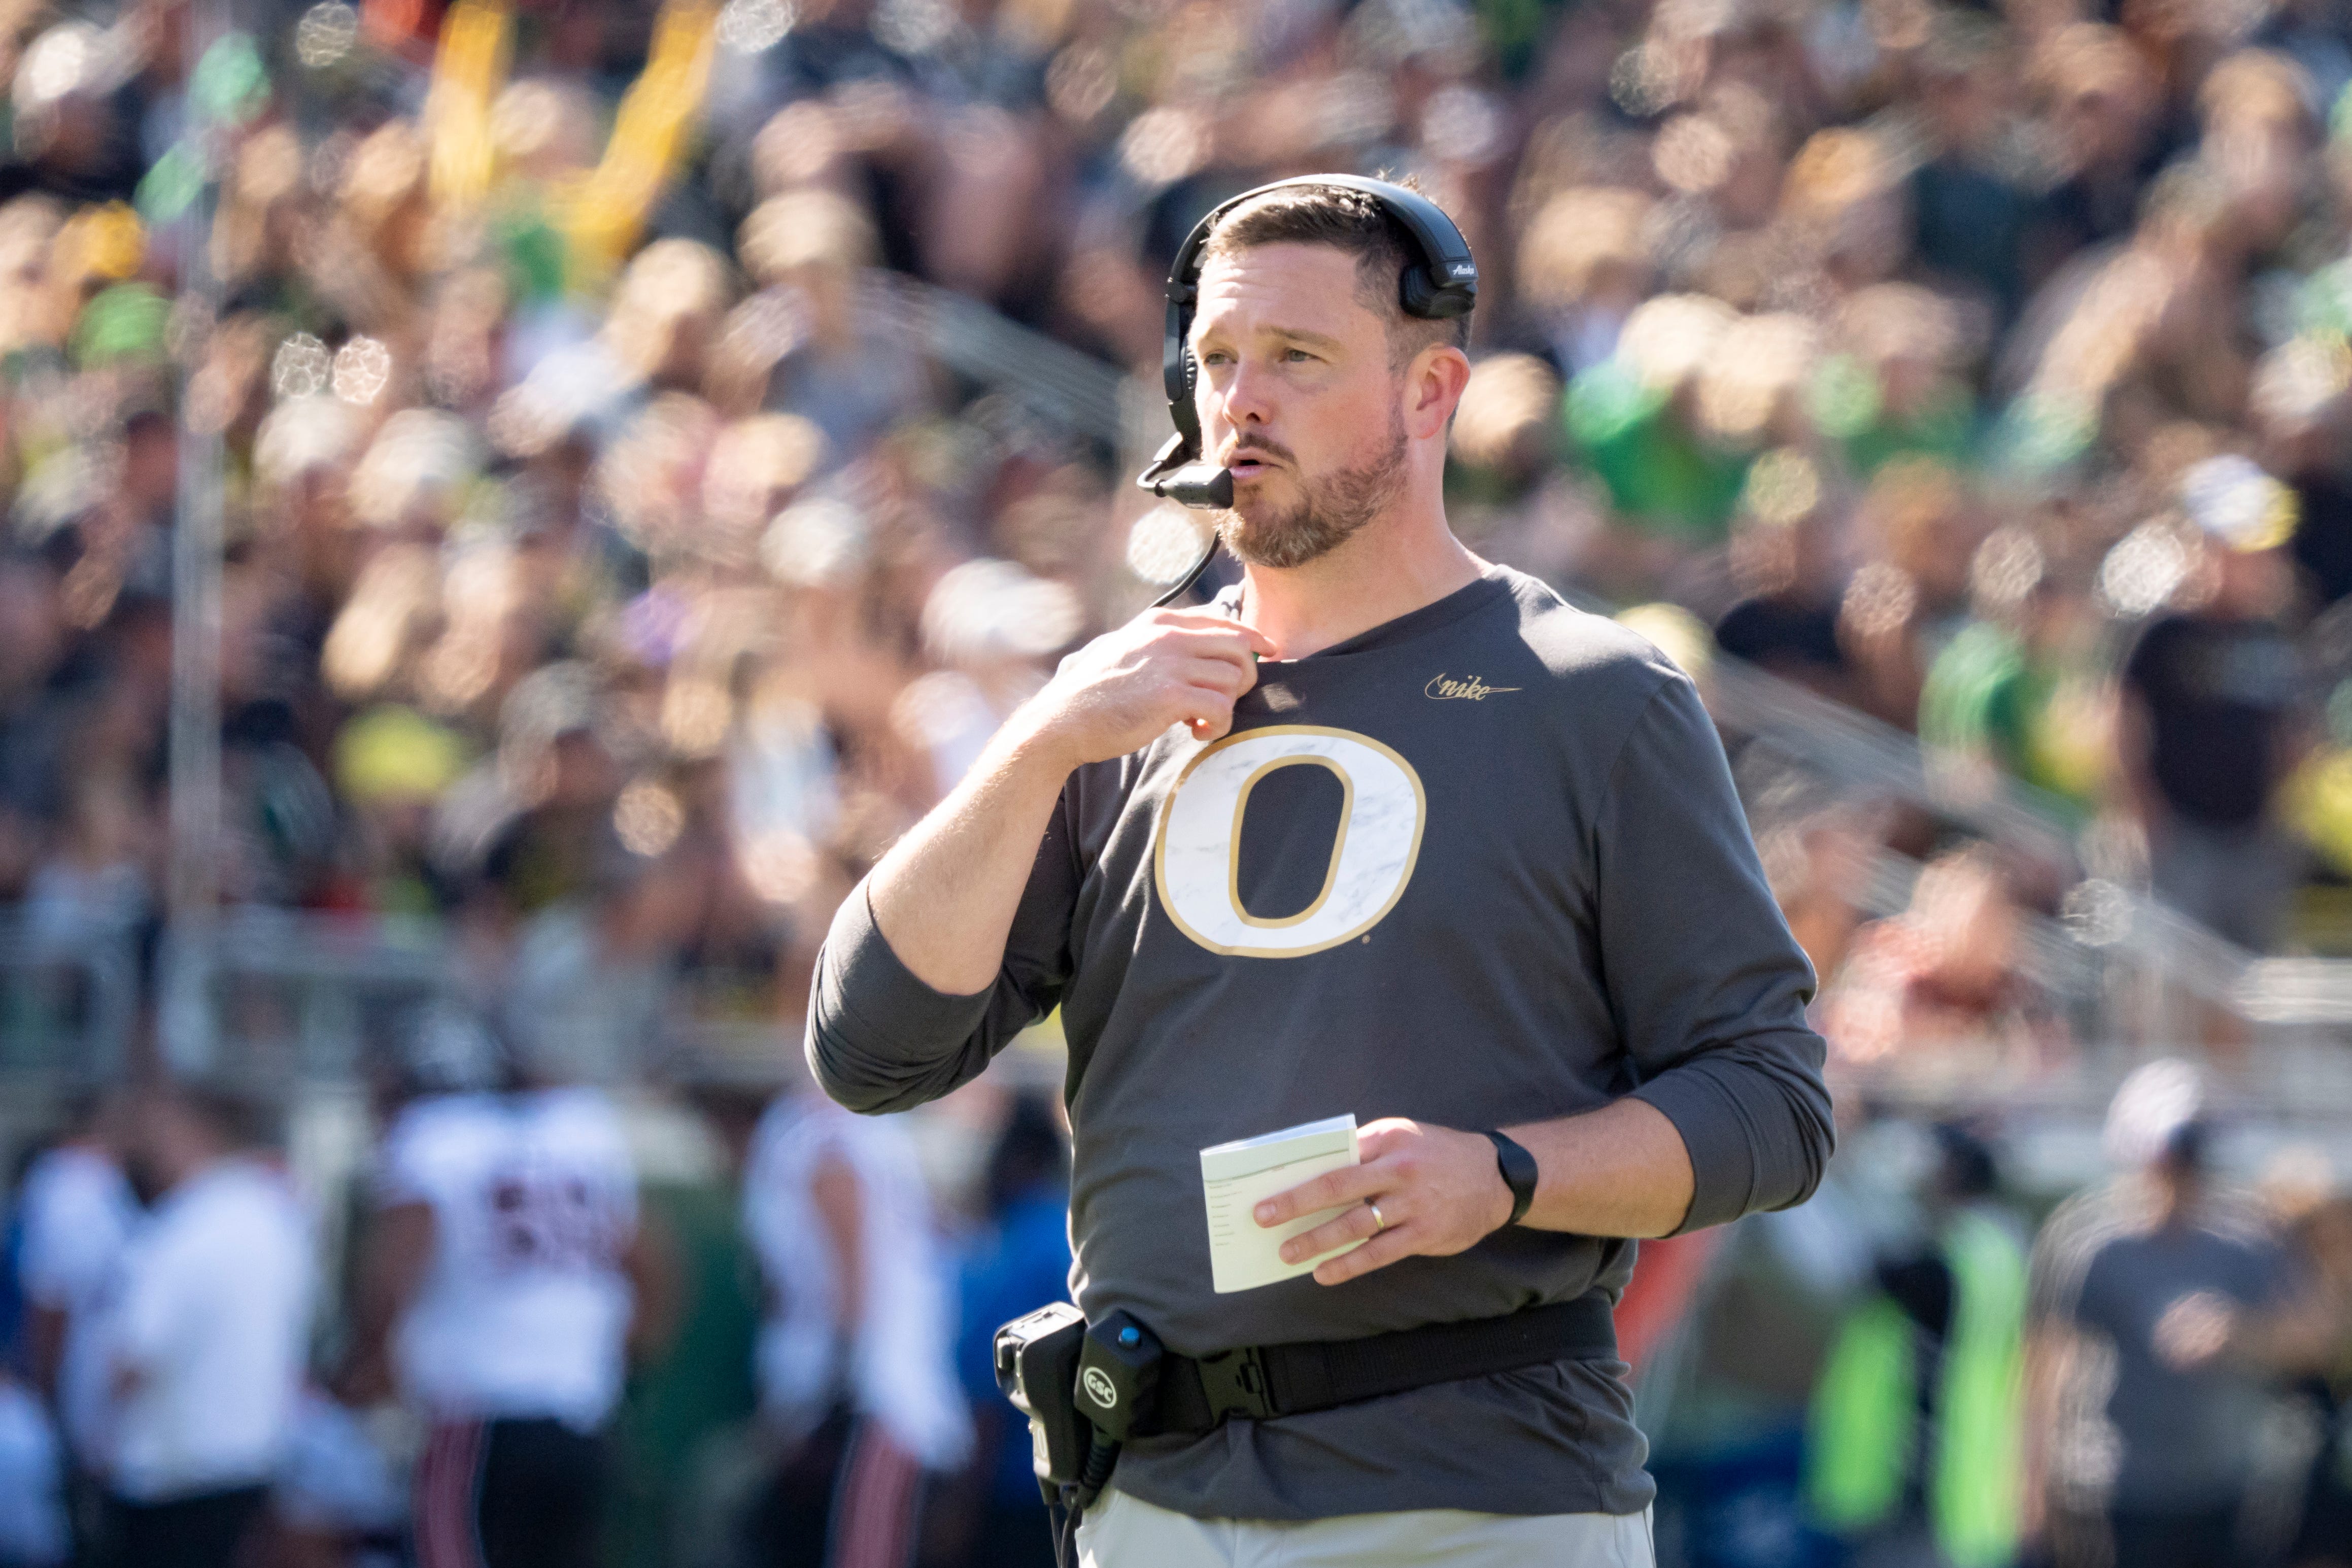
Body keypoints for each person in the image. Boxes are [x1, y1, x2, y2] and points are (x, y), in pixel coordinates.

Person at [805, 178, 1835, 1567]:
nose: (1241, 400)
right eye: (1218, 359)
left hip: (1476, 1503)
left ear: (1430, 393)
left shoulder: (1596, 697)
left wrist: (1505, 1175)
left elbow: (1769, 1103)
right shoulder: (1115, 709)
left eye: (1297, 357)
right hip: (1150, 1502)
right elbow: (869, 1049)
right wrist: (1039, 742)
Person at [343, 1009, 671, 1568]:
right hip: (579, 1421)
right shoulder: (576, 1133)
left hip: (478, 1419)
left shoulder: (438, 1141)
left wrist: (366, 1371)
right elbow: (653, 1268)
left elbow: (390, 1282)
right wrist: (605, 1357)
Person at [2023, 1059, 2312, 1568]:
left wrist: (2238, 1334)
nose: (2180, 1171)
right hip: (2120, 1488)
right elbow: (2046, 1370)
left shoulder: (2247, 1240)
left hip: (2227, 1483)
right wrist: (2032, 1490)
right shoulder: (2093, 1244)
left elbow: (2309, 1341)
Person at [738, 1085, 968, 1568]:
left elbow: (854, 1286)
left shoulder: (828, 1146)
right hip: (877, 1393)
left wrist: (832, 1383)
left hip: (871, 1400)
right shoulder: (873, 1138)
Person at [101, 1082, 314, 1568]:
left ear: (193, 1133)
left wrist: (96, 1440)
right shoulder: (275, 1218)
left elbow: (134, 1358)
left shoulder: (182, 1228)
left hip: (170, 1472)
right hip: (252, 1457)